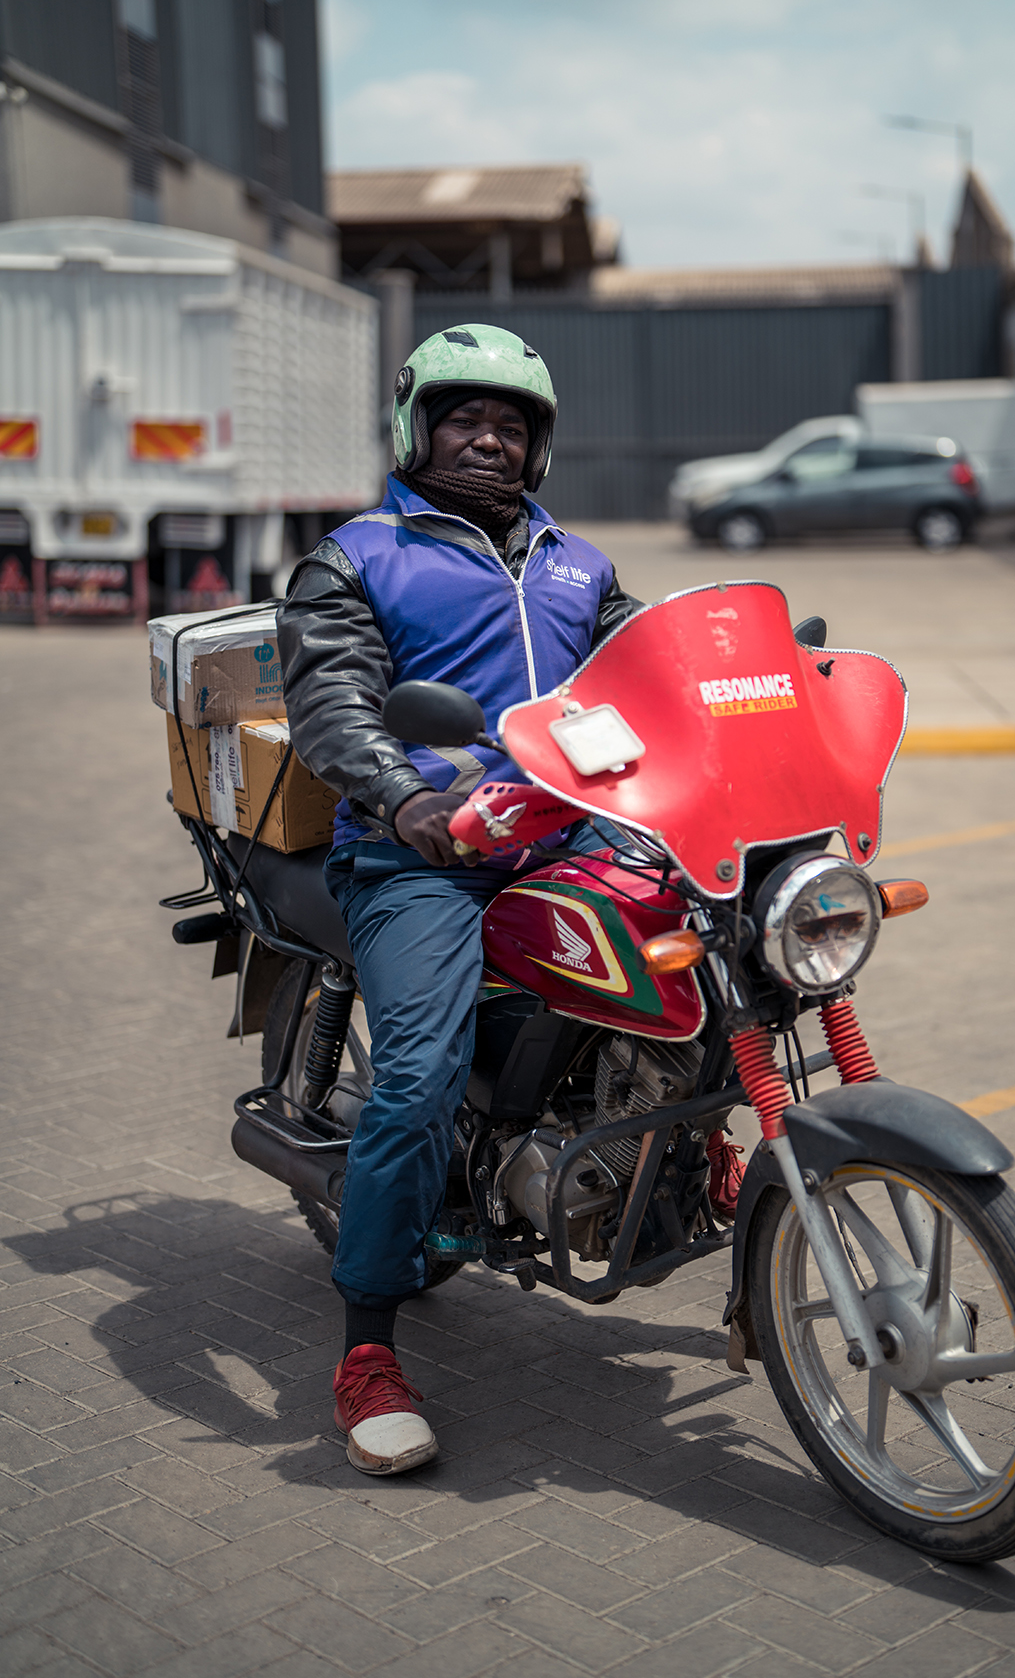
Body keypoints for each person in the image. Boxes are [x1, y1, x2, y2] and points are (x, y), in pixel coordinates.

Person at [277, 324, 641, 1475]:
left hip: (564, 835)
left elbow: (655, 673)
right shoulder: (356, 555)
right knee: (421, 1073)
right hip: (423, 853)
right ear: (416, 427)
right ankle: (368, 1351)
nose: (488, 437)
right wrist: (403, 803)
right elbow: (331, 700)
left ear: (538, 444)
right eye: (463, 417)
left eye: (512, 422)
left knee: (710, 961)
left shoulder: (578, 563)